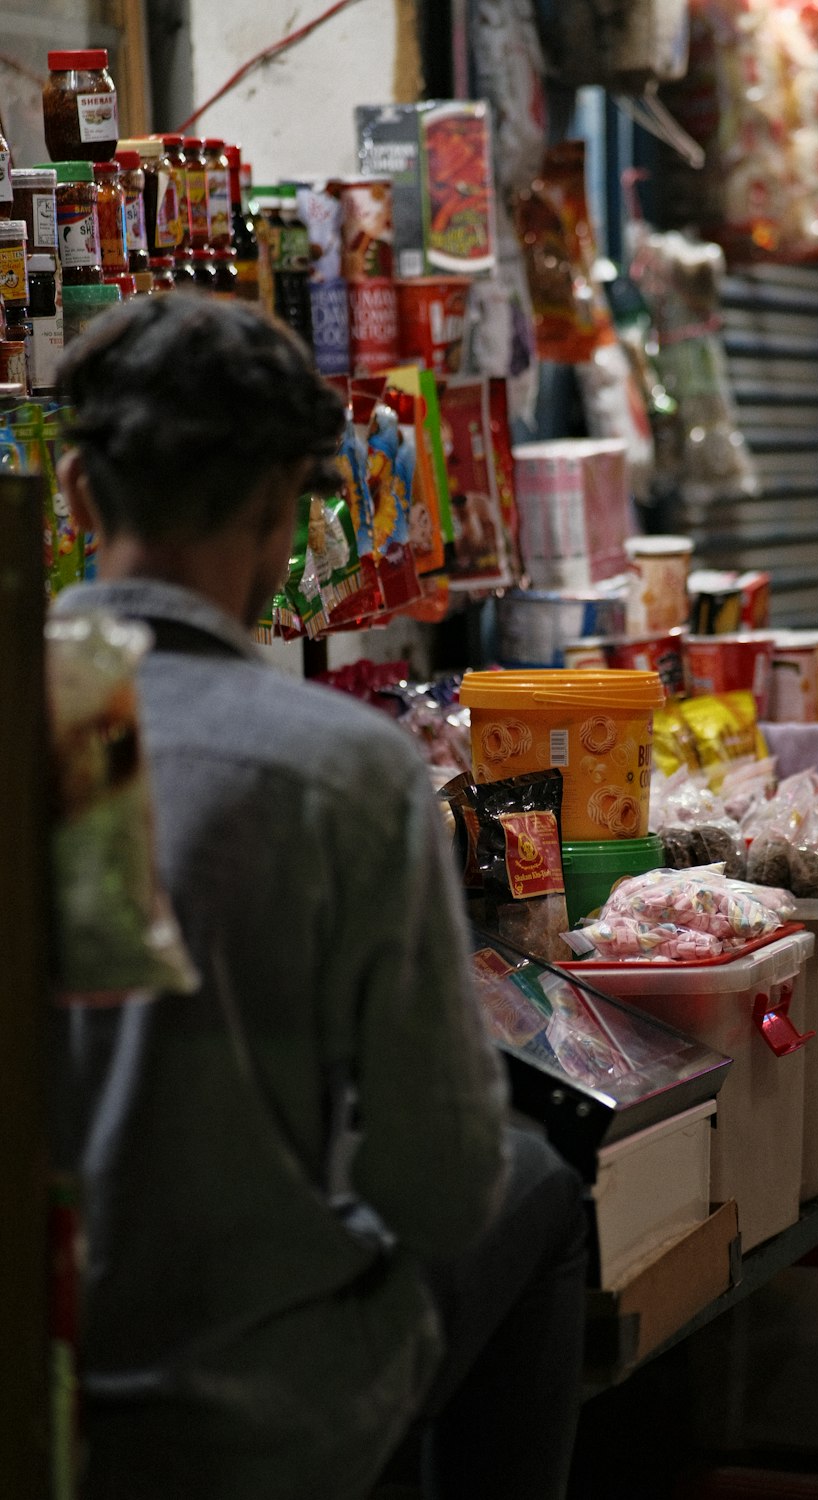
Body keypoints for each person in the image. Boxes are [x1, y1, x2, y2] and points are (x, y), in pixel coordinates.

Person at [51, 294, 588, 1500]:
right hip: (237, 1421)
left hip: (35, 1395)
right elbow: (439, 1186)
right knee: (537, 1186)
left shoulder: (30, 710)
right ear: (285, 512)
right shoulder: (339, 765)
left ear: (79, 497)